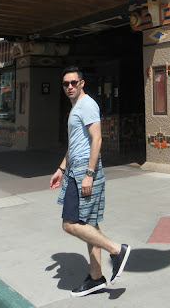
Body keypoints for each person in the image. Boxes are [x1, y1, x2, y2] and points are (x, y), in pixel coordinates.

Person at [50, 66, 131, 297]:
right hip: (73, 170)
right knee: (90, 224)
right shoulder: (76, 107)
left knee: (70, 224)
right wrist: (61, 168)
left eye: (73, 83)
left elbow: (97, 139)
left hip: (84, 172)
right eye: (66, 84)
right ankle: (96, 278)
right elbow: (75, 143)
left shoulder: (87, 105)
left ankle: (117, 250)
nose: (69, 87)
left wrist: (89, 174)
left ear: (82, 83)